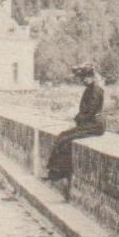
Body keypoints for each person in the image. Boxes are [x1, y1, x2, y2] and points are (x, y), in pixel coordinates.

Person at [46, 64, 105, 194]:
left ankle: (58, 172)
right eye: (81, 78)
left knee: (66, 138)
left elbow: (89, 112)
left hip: (94, 125)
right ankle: (57, 171)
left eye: (83, 78)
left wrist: (78, 119)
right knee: (63, 136)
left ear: (90, 77)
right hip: (89, 123)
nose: (82, 81)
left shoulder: (95, 90)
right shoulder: (90, 89)